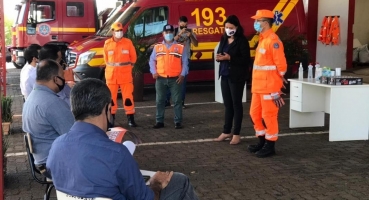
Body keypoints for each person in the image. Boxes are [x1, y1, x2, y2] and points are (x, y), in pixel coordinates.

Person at [47, 78, 199, 199]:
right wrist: (156, 184)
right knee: (179, 180)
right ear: (107, 109)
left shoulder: (56, 146)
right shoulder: (116, 153)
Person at [22, 59, 74, 178]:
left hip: (43, 162)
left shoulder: (31, 98)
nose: (64, 80)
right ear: (56, 79)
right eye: (62, 76)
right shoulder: (51, 103)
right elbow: (75, 136)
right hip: (57, 165)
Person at [248, 10, 287, 158]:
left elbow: (281, 64)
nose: (256, 23)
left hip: (269, 87)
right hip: (258, 87)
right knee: (254, 114)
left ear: (265, 22)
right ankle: (262, 141)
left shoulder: (273, 40)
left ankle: (270, 145)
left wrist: (280, 79)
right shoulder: (263, 39)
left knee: (269, 116)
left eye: (258, 20)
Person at [213, 15, 251, 145]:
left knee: (236, 105)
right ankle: (226, 131)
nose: (228, 30)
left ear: (237, 27)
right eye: (226, 27)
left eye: (231, 27)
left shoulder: (242, 41)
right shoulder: (223, 38)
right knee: (227, 105)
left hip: (237, 77)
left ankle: (236, 133)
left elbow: (246, 60)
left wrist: (230, 58)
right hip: (224, 75)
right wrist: (219, 57)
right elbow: (219, 53)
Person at [149, 24, 188, 129]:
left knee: (177, 101)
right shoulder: (157, 47)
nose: (168, 34)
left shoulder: (180, 47)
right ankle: (159, 121)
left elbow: (185, 62)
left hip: (175, 79)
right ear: (163, 34)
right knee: (160, 101)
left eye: (170, 32)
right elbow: (152, 60)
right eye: (166, 32)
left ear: (173, 33)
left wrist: (183, 74)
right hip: (160, 78)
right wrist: (154, 71)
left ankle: (178, 122)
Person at [103, 22, 138, 127]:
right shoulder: (107, 43)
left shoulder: (128, 42)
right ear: (113, 32)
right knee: (111, 99)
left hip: (125, 76)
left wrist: (127, 68)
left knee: (128, 98)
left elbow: (133, 58)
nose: (119, 32)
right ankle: (111, 119)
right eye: (117, 31)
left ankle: (130, 119)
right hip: (111, 76)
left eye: (121, 30)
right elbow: (106, 60)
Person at [165, 16, 198, 109]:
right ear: (179, 23)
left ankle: (181, 102)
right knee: (170, 80)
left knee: (183, 81)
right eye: (182, 23)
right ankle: (167, 100)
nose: (184, 25)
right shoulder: (175, 31)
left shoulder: (190, 31)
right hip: (174, 59)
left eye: (185, 23)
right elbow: (170, 42)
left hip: (185, 59)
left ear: (187, 24)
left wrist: (190, 35)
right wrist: (180, 33)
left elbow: (196, 44)